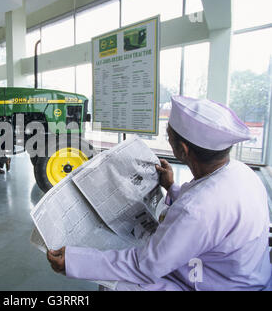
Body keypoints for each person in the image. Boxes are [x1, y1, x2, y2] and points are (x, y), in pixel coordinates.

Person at [47, 96, 271, 291]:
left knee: (117, 282)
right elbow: (205, 210)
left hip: (215, 285)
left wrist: (75, 261)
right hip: (234, 274)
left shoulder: (197, 208)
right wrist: (171, 187)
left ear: (182, 150)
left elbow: (146, 266)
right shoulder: (241, 172)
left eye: (169, 136)